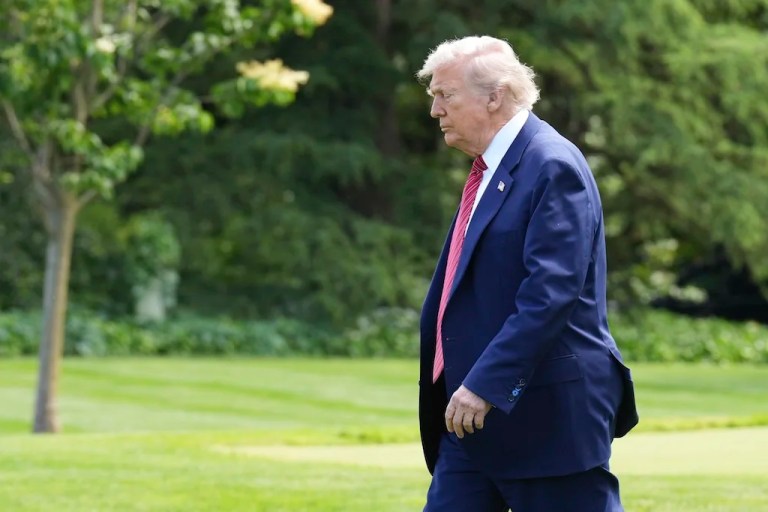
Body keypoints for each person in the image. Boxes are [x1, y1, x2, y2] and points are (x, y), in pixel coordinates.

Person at [416, 35, 639, 511]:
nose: (435, 110)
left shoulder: (552, 165)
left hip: (545, 420)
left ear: (493, 97)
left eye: (445, 95)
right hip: (471, 423)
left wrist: (485, 384)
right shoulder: (491, 170)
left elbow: (549, 295)